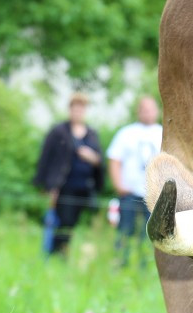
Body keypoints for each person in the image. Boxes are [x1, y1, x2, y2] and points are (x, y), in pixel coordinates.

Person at [33, 92, 103, 255]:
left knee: (74, 223)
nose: (78, 112)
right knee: (62, 221)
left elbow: (100, 161)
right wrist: (48, 186)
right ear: (70, 109)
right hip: (63, 187)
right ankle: (56, 254)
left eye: (81, 109)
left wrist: (91, 157)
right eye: (75, 108)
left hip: (84, 188)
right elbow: (46, 158)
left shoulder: (92, 134)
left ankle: (66, 252)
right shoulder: (58, 131)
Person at [107, 95, 163, 266]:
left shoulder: (163, 132)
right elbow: (114, 159)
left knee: (150, 232)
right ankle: (121, 263)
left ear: (157, 111)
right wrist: (118, 185)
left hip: (153, 194)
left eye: (151, 109)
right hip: (129, 192)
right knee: (125, 230)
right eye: (144, 110)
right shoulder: (127, 133)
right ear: (138, 112)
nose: (147, 113)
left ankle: (145, 266)